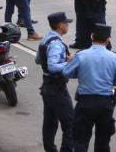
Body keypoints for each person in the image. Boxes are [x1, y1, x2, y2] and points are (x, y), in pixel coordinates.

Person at [62, 24, 116, 152]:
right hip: (105, 104)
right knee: (103, 142)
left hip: (85, 102)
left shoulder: (81, 55)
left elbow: (66, 72)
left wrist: (81, 74)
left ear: (92, 36)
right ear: (108, 39)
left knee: (80, 140)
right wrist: (109, 80)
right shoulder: (115, 58)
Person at [37, 12, 75, 152]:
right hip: (57, 88)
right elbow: (53, 67)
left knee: (50, 122)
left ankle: (50, 149)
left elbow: (38, 60)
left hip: (47, 86)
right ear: (60, 25)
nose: (68, 26)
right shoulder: (56, 44)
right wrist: (68, 62)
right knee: (70, 123)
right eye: (66, 23)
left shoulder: (46, 39)